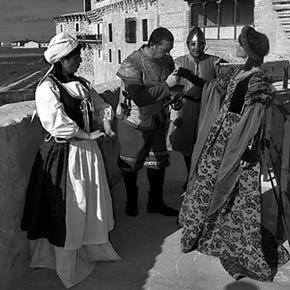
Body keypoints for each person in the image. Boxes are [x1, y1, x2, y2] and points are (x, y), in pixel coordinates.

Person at [178, 26, 290, 281]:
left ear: (248, 49)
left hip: (238, 144)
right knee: (207, 183)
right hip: (221, 136)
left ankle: (236, 245)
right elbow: (215, 88)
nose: (236, 46)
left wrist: (239, 151)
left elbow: (254, 119)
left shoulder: (258, 81)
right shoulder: (240, 72)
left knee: (235, 194)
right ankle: (208, 231)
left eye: (240, 43)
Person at [21, 33, 120, 288]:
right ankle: (65, 264)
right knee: (69, 208)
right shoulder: (48, 88)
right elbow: (55, 123)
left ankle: (90, 249)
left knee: (88, 203)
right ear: (63, 60)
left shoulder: (81, 84)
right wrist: (87, 135)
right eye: (76, 56)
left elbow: (100, 106)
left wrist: (106, 125)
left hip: (86, 154)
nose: (79, 60)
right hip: (64, 155)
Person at [116, 27, 180, 217]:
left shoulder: (165, 60)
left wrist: (175, 96)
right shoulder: (132, 64)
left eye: (170, 50)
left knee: (158, 163)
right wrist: (167, 86)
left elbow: (172, 85)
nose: (168, 54)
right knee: (130, 165)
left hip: (157, 118)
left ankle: (156, 202)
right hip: (133, 122)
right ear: (152, 45)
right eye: (165, 49)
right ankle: (131, 202)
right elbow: (140, 98)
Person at [167, 26, 222, 190]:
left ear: (204, 45)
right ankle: (190, 177)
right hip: (186, 105)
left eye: (200, 45)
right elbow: (170, 86)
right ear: (187, 45)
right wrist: (173, 100)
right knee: (186, 145)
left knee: (205, 143)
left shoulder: (215, 62)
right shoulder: (178, 62)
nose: (196, 48)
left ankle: (201, 178)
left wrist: (189, 76)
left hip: (208, 106)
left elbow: (216, 86)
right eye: (193, 44)